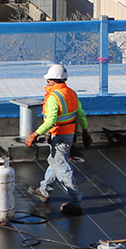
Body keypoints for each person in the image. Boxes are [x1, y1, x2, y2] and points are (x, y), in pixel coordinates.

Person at [26, 64, 91, 215]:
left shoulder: (54, 97)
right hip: (68, 134)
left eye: (48, 80)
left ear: (53, 81)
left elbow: (50, 121)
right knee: (55, 162)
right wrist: (85, 131)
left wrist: (34, 134)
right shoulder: (71, 93)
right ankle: (44, 191)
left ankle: (76, 201)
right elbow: (80, 113)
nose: (46, 83)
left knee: (63, 168)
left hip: (59, 136)